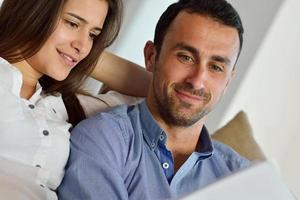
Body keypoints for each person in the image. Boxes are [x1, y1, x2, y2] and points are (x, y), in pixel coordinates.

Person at [58, 0, 251, 199]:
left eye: (216, 67)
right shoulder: (104, 138)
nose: (197, 81)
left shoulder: (244, 178)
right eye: (185, 57)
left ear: (228, 80)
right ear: (151, 56)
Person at [0, 0, 150, 199]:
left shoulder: (62, 105)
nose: (83, 46)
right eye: (72, 23)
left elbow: (153, 89)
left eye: (92, 35)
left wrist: (78, 53)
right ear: (33, 9)